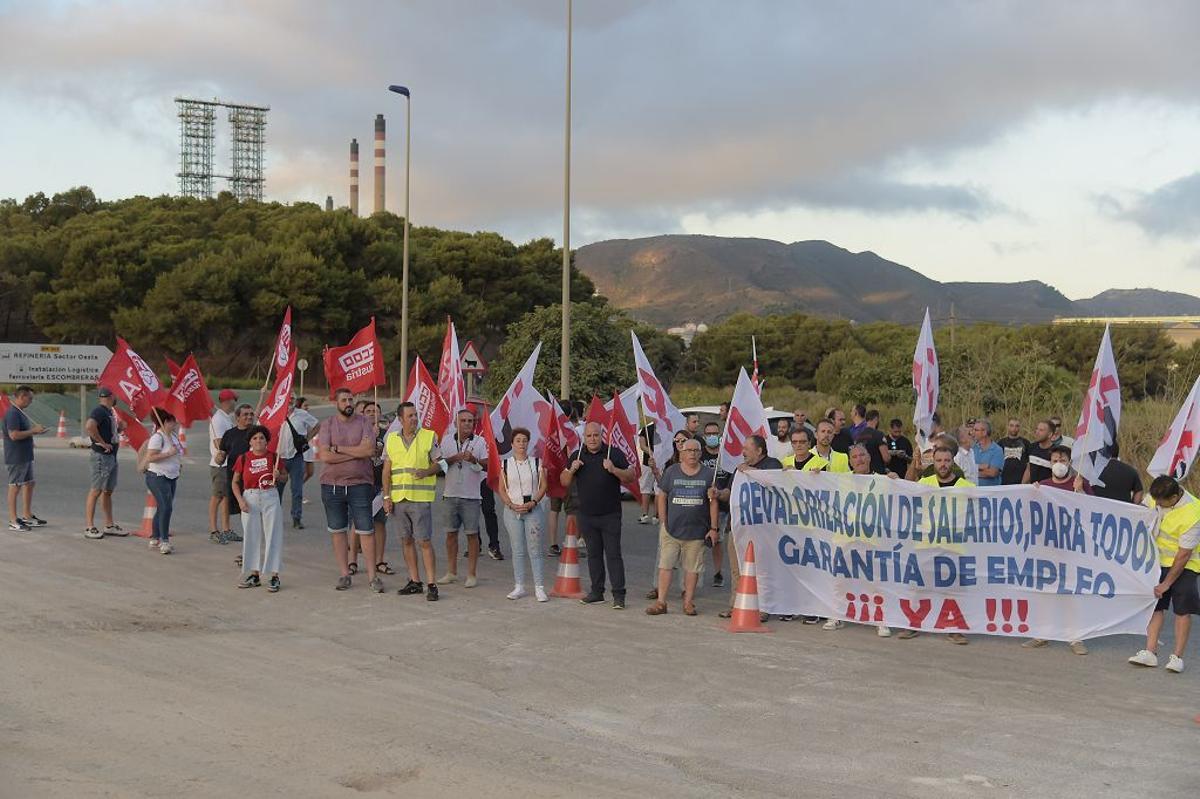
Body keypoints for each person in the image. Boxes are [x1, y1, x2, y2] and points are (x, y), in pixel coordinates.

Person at [1129, 475, 1200, 673]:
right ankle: (1150, 652)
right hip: (1156, 562)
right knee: (1156, 605)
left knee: (1182, 610)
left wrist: (1167, 583)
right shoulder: (1155, 497)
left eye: (1163, 502)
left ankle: (1177, 657)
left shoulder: (1194, 512)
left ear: (1176, 496)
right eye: (1156, 501)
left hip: (1185, 566)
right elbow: (1138, 515)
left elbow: (1184, 554)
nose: (1158, 504)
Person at [901, 445, 972, 644]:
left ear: (953, 461)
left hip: (953, 547)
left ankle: (955, 628)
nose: (943, 465)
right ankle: (913, 624)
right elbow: (904, 489)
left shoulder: (966, 486)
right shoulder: (925, 482)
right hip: (926, 544)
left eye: (947, 461)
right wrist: (907, 470)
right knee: (917, 586)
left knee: (953, 589)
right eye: (939, 461)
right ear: (933, 461)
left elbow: (994, 501)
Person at [560, 421, 635, 609]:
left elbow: (631, 476)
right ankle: (596, 592)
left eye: (596, 435)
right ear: (583, 438)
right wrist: (572, 469)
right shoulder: (577, 455)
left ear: (602, 435)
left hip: (610, 514)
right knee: (593, 555)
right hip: (586, 515)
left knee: (613, 555)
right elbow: (564, 481)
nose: (592, 439)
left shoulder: (613, 453)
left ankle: (619, 595)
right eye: (589, 436)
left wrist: (614, 469)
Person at [823, 444, 892, 636]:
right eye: (854, 457)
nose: (859, 459)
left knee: (875, 582)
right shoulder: (840, 480)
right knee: (839, 580)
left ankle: (881, 620)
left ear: (869, 457)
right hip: (845, 538)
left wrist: (896, 480)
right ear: (850, 461)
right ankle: (836, 615)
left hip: (871, 540)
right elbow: (816, 485)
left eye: (862, 455)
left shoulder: (883, 481)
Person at [321, 388, 384, 593]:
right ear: (336, 403)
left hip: (360, 484)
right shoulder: (328, 424)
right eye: (344, 400)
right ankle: (344, 573)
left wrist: (338, 448)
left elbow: (368, 450)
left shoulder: (364, 422)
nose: (348, 402)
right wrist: (355, 453)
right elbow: (325, 456)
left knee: (366, 530)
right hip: (332, 484)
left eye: (350, 399)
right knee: (338, 530)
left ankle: (373, 577)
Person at [646, 438, 717, 617]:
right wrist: (663, 521)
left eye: (696, 450)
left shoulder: (709, 474)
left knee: (692, 569)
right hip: (671, 530)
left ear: (700, 454)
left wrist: (714, 528)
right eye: (689, 450)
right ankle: (661, 602)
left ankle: (688, 603)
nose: (692, 453)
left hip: (697, 532)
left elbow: (713, 502)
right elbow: (662, 496)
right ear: (681, 454)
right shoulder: (672, 472)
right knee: (665, 566)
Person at [716, 435, 780, 622]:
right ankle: (736, 606)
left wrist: (749, 471)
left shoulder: (771, 464)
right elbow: (730, 492)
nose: (742, 452)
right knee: (737, 570)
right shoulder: (739, 469)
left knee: (762, 569)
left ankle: (763, 608)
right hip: (737, 527)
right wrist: (719, 493)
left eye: (747, 448)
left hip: (762, 529)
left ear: (759, 450)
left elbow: (772, 482)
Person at [383, 401, 442, 600]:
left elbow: (440, 463)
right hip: (399, 499)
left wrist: (426, 471)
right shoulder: (391, 439)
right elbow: (386, 471)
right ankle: (415, 581)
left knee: (424, 541)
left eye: (416, 415)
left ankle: (432, 584)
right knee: (406, 540)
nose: (414, 419)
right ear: (400, 419)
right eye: (410, 416)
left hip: (420, 499)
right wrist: (386, 496)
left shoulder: (428, 436)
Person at [232, 425, 287, 592]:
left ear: (267, 441)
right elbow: (235, 482)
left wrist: (280, 476)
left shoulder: (274, 457)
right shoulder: (243, 458)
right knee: (251, 535)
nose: (258, 441)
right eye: (255, 438)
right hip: (250, 497)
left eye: (261, 438)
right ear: (250, 441)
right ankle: (254, 574)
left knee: (273, 534)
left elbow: (285, 476)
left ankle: (274, 576)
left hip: (270, 495)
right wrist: (240, 500)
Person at [498, 427, 548, 601]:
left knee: (535, 549)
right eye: (518, 440)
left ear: (528, 443)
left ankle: (539, 587)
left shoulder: (536, 462)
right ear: (512, 443)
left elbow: (543, 486)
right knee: (517, 549)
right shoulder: (505, 464)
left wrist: (533, 502)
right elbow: (502, 488)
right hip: (512, 512)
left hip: (533, 511)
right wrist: (511, 504)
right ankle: (519, 586)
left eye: (524, 440)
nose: (521, 444)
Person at [440, 408, 488, 588]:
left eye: (470, 421)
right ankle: (451, 572)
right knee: (450, 534)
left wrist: (474, 459)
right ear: (456, 423)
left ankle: (471, 574)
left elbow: (488, 464)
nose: (467, 424)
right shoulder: (446, 441)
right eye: (464, 421)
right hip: (450, 494)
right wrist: (455, 458)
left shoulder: (480, 441)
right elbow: (440, 465)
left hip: (471, 496)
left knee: (472, 535)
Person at [348, 401, 395, 577]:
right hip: (360, 483)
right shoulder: (356, 433)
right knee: (357, 523)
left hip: (380, 484)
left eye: (375, 411)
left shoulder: (388, 435)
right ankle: (352, 559)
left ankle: (379, 560)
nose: (372, 414)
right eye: (368, 411)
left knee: (380, 523)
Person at [83, 386, 126, 538]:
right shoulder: (99, 411)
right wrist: (101, 442)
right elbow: (90, 426)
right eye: (115, 395)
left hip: (112, 456)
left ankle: (109, 525)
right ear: (111, 396)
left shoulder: (109, 412)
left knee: (108, 491)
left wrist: (120, 428)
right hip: (102, 456)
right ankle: (89, 526)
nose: (117, 398)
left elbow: (110, 432)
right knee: (96, 490)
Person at [3, 386, 47, 532]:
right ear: (21, 397)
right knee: (15, 486)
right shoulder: (13, 414)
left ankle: (27, 515)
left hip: (26, 455)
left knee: (29, 483)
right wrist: (33, 431)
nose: (31, 401)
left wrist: (34, 434)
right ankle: (13, 519)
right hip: (16, 456)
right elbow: (14, 435)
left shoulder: (21, 413)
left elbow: (23, 433)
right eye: (30, 398)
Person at [144, 409, 183, 554]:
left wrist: (178, 463)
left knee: (162, 507)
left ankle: (155, 538)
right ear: (166, 422)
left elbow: (178, 452)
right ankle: (164, 541)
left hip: (172, 475)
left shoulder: (172, 436)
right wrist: (168, 454)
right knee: (166, 507)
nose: (176, 423)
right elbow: (150, 457)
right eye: (173, 421)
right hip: (158, 476)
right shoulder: (157, 438)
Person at [216, 404, 255, 544]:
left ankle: (249, 534)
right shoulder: (229, 434)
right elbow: (221, 455)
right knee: (230, 503)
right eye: (246, 414)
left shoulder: (256, 433)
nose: (249, 416)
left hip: (252, 477)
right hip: (234, 477)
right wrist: (219, 458)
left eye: (251, 414)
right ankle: (226, 531)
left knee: (248, 507)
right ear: (237, 417)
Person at [698, 421, 730, 588]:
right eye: (708, 434)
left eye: (715, 434)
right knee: (697, 541)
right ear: (704, 437)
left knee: (717, 540)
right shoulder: (700, 455)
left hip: (722, 507)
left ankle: (718, 572)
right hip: (700, 505)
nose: (712, 436)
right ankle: (696, 573)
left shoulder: (726, 456)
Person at [281, 395, 319, 529]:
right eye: (288, 397)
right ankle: (275, 517)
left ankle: (296, 518)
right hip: (280, 458)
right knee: (277, 490)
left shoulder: (302, 414)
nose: (290, 399)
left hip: (297, 457)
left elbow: (317, 425)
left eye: (292, 398)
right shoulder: (277, 413)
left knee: (297, 490)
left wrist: (307, 438)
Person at [208, 389, 239, 543]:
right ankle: (214, 530)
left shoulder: (226, 418)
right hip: (220, 465)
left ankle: (226, 529)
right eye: (234, 399)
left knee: (227, 497)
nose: (236, 402)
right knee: (217, 497)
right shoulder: (218, 419)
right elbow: (219, 443)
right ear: (228, 401)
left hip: (228, 464)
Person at [853, 410, 890, 474]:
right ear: (876, 419)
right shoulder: (879, 435)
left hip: (863, 474)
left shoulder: (858, 437)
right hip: (877, 474)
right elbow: (886, 458)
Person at [971, 419, 1004, 487]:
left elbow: (992, 473)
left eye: (976, 430)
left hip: (991, 494)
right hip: (973, 492)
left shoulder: (997, 450)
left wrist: (971, 472)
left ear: (984, 432)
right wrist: (981, 467)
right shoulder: (972, 448)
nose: (972, 432)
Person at [996, 418, 1029, 486]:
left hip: (1020, 481)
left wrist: (1025, 481)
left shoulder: (1026, 443)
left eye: (1016, 426)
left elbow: (1029, 465)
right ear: (1007, 427)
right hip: (1003, 481)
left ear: (1019, 427)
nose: (1014, 428)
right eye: (1011, 425)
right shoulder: (1001, 443)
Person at [635, 427, 658, 524]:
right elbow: (642, 445)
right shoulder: (647, 429)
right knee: (645, 488)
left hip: (660, 463)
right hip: (647, 462)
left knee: (658, 489)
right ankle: (645, 514)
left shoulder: (665, 428)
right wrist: (650, 452)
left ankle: (656, 515)